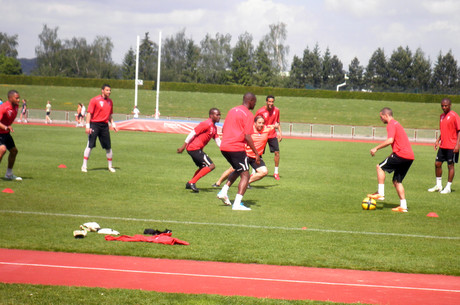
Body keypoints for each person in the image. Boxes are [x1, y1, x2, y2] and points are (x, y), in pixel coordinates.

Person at [217, 92, 259, 211]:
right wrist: (256, 153)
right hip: (236, 147)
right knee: (246, 174)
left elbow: (224, 128)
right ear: (250, 101)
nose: (255, 104)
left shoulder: (232, 110)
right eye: (254, 102)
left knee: (238, 168)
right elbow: (247, 136)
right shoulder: (248, 114)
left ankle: (223, 191)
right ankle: (237, 204)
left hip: (224, 146)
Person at [368, 107, 414, 213]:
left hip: (401, 155)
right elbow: (398, 143)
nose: (381, 119)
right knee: (397, 181)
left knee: (379, 167)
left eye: (381, 117)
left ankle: (380, 193)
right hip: (409, 157)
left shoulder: (391, 124)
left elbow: (390, 140)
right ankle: (403, 206)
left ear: (386, 115)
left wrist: (376, 148)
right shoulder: (397, 124)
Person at [213, 116, 277, 188]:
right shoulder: (249, 129)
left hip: (256, 156)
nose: (261, 124)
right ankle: (218, 183)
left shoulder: (267, 129)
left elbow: (273, 126)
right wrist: (223, 136)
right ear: (255, 123)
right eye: (259, 123)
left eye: (262, 123)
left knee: (264, 172)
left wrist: (277, 128)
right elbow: (236, 134)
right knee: (233, 169)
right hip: (245, 154)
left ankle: (246, 182)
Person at [177, 108, 221, 192]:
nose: (219, 117)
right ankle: (191, 182)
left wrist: (226, 149)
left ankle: (190, 183)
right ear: (211, 116)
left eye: (219, 115)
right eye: (217, 115)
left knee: (203, 166)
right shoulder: (206, 124)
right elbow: (193, 133)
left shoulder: (214, 127)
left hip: (195, 149)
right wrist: (183, 146)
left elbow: (218, 141)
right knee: (211, 166)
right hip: (194, 148)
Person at [81, 84, 118, 173]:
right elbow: (89, 114)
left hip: (104, 126)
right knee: (90, 145)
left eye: (110, 90)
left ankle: (110, 166)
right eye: (107, 90)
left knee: (108, 147)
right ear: (102, 90)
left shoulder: (110, 102)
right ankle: (84, 166)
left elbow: (109, 115)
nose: (109, 92)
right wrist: (87, 126)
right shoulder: (94, 100)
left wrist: (113, 124)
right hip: (95, 125)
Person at [428, 98, 460, 194]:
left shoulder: (454, 116)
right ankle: (438, 185)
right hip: (443, 146)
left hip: (452, 146)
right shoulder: (441, 116)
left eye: (446, 105)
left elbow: (459, 131)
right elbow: (445, 131)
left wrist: (457, 145)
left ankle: (448, 187)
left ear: (450, 105)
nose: (444, 107)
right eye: (442, 105)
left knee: (450, 166)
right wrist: (438, 140)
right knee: (437, 164)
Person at [255, 95, 282, 180]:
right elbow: (255, 123)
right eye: (269, 101)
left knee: (277, 152)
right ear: (266, 102)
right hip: (262, 134)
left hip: (272, 134)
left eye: (272, 102)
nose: (271, 103)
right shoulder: (260, 111)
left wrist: (280, 133)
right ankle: (254, 171)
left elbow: (277, 122)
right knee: (257, 153)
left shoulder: (276, 110)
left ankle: (276, 172)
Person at [0, 90, 22, 180]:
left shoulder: (16, 106)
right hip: (0, 133)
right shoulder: (3, 107)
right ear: (10, 98)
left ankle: (9, 174)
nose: (19, 100)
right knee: (2, 150)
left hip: (6, 133)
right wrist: (6, 127)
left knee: (14, 151)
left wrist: (7, 128)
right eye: (17, 98)